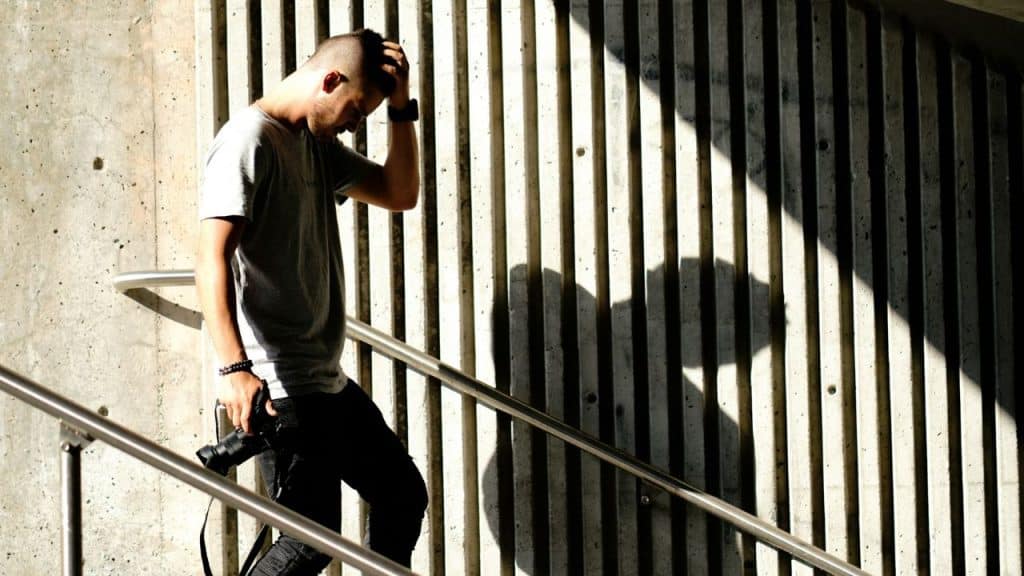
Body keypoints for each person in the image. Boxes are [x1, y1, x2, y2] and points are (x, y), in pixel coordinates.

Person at [194, 28, 427, 574]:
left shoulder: (315, 146)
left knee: (400, 495)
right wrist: (234, 369)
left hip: (324, 381)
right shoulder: (247, 141)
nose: (355, 123)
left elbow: (400, 193)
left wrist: (401, 106)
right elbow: (210, 257)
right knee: (309, 540)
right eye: (356, 109)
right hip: (280, 386)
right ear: (330, 80)